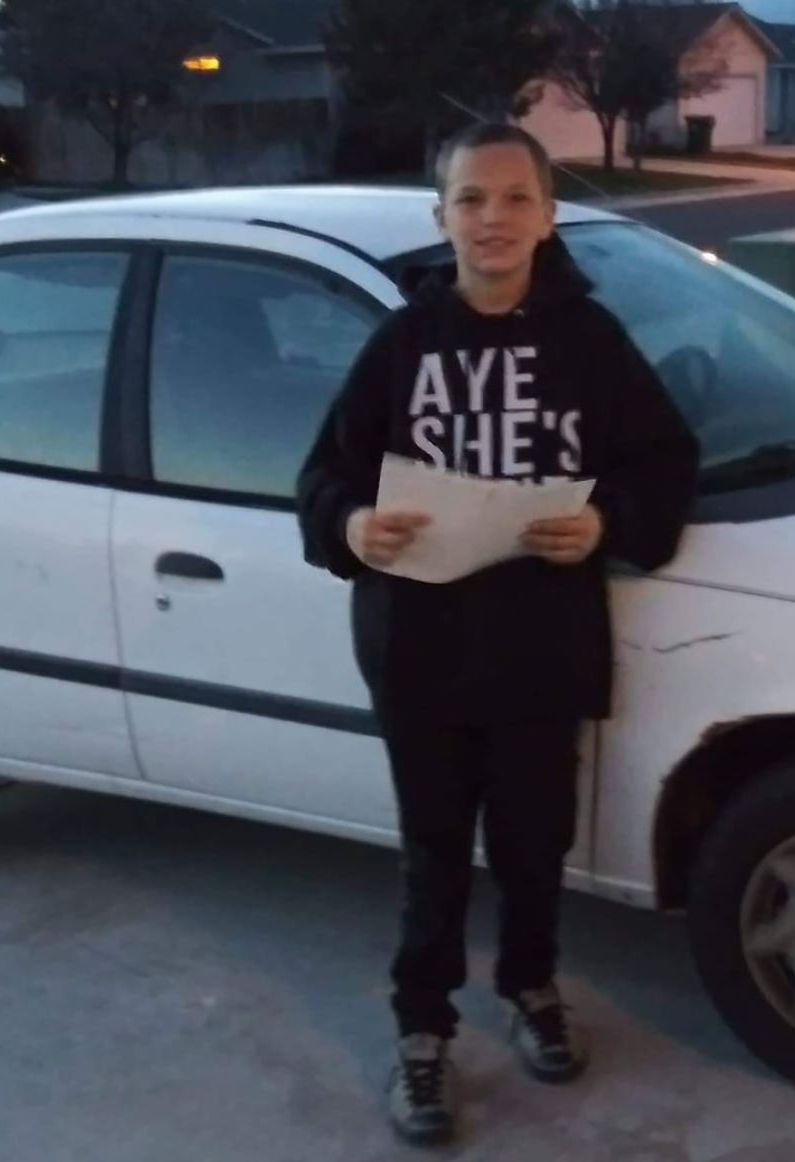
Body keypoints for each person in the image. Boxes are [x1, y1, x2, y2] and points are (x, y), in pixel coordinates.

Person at [295, 122, 699, 1149]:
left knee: (532, 844)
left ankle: (530, 986)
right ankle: (422, 1030)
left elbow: (665, 462)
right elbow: (322, 476)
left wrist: (608, 520)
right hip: (421, 646)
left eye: (516, 198)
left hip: (540, 646)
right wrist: (349, 525)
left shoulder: (590, 342)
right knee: (433, 853)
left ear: (548, 215)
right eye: (471, 200)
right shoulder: (402, 344)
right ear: (442, 219)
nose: (494, 219)